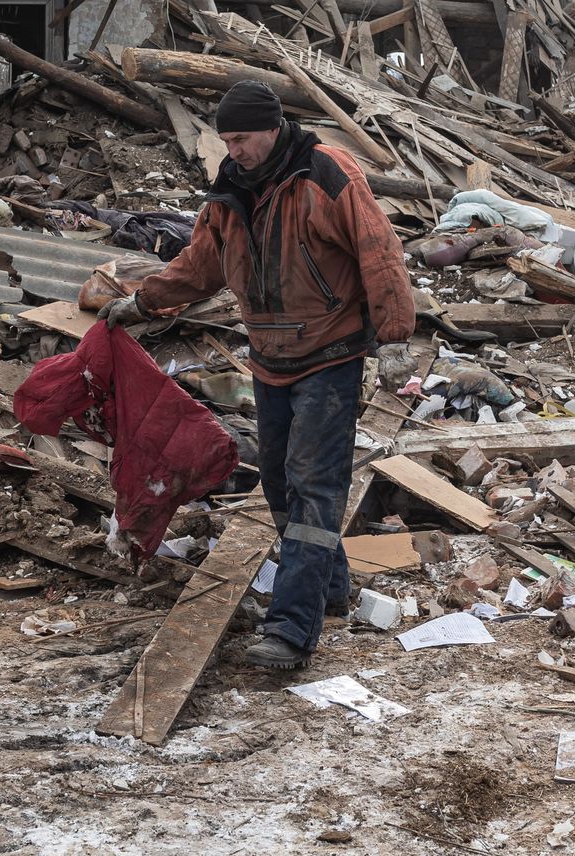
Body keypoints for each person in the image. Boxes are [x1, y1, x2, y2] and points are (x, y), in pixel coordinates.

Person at [99, 80, 416, 670]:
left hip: (330, 355)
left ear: (272, 128)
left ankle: (292, 631)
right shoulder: (231, 193)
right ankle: (329, 589)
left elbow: (380, 252)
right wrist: (143, 303)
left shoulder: (326, 174)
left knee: (313, 486)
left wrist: (395, 336)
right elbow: (201, 266)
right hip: (270, 361)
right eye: (227, 140)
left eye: (242, 139)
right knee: (276, 484)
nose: (233, 151)